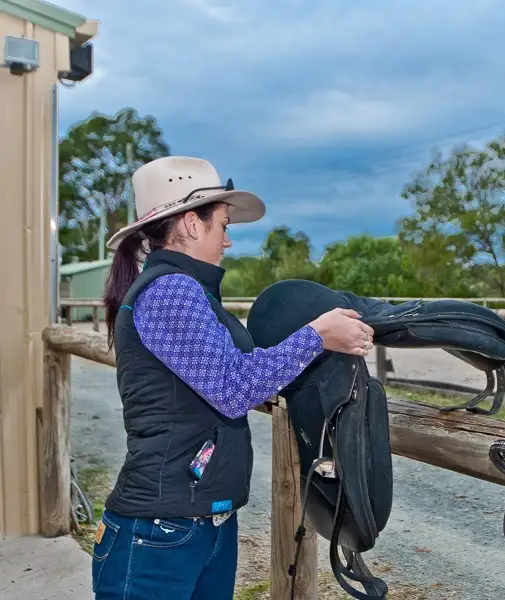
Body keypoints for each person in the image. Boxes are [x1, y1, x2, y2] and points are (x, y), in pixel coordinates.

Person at [91, 156, 374, 600]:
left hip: (194, 521)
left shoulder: (186, 291)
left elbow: (231, 375)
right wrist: (317, 336)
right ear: (189, 224)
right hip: (164, 527)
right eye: (222, 225)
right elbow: (233, 387)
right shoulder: (171, 291)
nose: (227, 240)